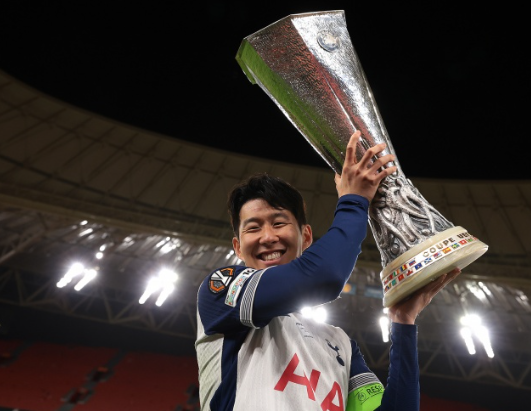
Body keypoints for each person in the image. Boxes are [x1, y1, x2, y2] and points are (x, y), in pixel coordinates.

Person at [195, 130, 461, 411]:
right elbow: (325, 276)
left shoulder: (340, 343)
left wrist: (403, 322)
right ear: (238, 247)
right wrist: (353, 201)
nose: (268, 237)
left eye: (279, 223)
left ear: (306, 237)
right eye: (253, 228)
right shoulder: (222, 292)